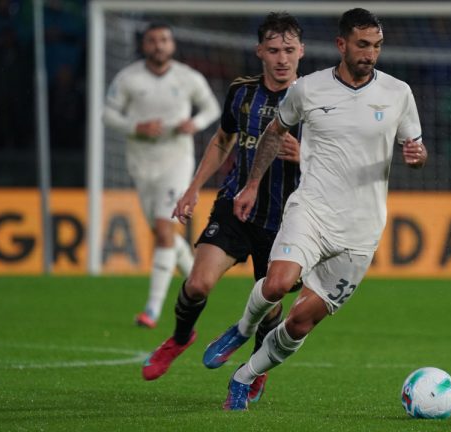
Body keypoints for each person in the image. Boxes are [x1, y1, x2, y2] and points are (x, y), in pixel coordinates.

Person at [203, 8, 428, 411]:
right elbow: (275, 133)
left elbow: (416, 147)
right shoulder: (308, 89)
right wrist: (252, 184)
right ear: (341, 44)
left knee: (300, 322)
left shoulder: (398, 93)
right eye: (362, 45)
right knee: (276, 285)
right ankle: (241, 328)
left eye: (376, 46)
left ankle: (245, 376)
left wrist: (417, 154)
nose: (370, 54)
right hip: (312, 210)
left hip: (361, 231)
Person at [140, 12, 305, 404]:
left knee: (268, 307)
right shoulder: (242, 92)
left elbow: (336, 158)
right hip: (235, 206)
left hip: (287, 219)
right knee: (197, 284)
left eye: (288, 50)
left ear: (300, 51)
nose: (282, 59)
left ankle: (255, 371)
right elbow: (222, 139)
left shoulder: (315, 101)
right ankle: (180, 338)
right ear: (259, 52)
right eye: (273, 50)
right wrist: (192, 189)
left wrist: (305, 154)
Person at [103, 22, 222, 328]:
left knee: (164, 229)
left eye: (164, 40)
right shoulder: (129, 78)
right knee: (162, 234)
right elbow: (108, 114)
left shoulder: (187, 77)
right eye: (153, 40)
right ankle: (197, 282)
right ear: (144, 46)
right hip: (142, 164)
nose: (159, 45)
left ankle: (152, 310)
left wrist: (194, 125)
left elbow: (211, 108)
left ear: (172, 45)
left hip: (177, 161)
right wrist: (136, 127)